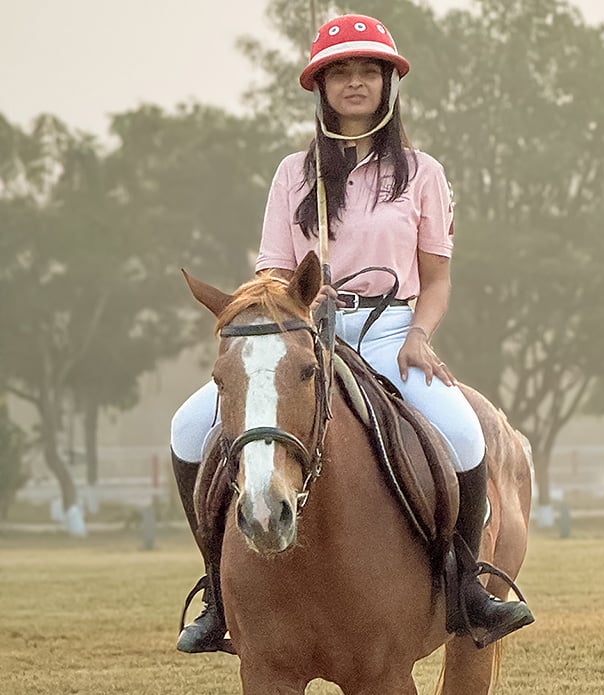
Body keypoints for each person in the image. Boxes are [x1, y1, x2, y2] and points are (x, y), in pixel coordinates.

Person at [168, 13, 533, 653]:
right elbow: (273, 271)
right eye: (342, 72)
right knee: (187, 428)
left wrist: (420, 333)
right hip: (306, 332)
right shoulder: (294, 172)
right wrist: (289, 305)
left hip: (392, 331)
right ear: (322, 86)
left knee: (464, 434)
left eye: (369, 71)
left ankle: (467, 586)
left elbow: (437, 278)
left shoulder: (423, 173)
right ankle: (219, 593)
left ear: (388, 84)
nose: (356, 82)